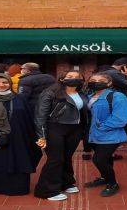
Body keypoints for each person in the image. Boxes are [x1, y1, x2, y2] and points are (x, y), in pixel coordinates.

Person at [33, 70, 88, 201]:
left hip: (75, 129)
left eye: (77, 77)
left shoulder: (82, 93)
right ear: (62, 78)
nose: (73, 79)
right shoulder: (50, 92)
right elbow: (40, 116)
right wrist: (41, 135)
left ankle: (66, 182)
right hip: (55, 128)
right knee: (55, 159)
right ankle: (46, 190)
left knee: (67, 157)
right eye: (69, 76)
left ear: (81, 80)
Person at [84, 73, 127, 197]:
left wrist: (102, 126)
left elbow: (122, 117)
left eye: (101, 80)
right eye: (93, 79)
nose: (96, 82)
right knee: (107, 159)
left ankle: (112, 183)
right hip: (94, 134)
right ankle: (104, 178)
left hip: (110, 134)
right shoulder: (90, 96)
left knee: (98, 159)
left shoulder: (117, 96)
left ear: (109, 83)